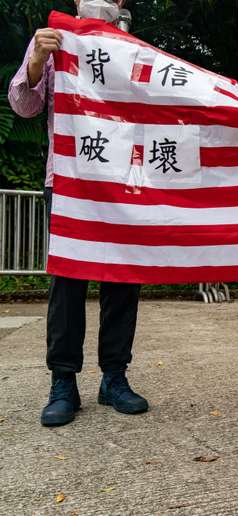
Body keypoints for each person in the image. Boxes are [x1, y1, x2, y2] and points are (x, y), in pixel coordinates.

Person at [8, 0, 148, 427]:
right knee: (67, 283)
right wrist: (36, 61)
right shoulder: (54, 42)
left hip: (123, 183)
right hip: (69, 181)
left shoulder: (136, 49)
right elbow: (23, 105)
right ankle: (63, 381)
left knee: (123, 279)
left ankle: (114, 377)